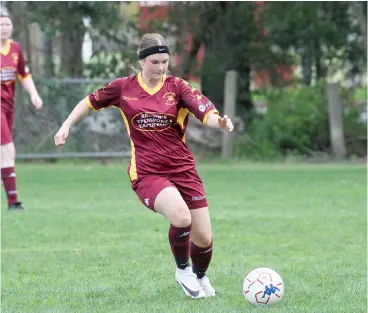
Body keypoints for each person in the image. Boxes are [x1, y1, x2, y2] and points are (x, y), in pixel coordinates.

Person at [54, 33, 234, 299]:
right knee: (181, 217)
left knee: (204, 238)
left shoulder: (177, 87)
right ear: (141, 61)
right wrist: (66, 124)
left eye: (165, 61)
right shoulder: (123, 88)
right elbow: (88, 102)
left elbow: (204, 111)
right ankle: (182, 270)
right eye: (155, 62)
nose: (161, 68)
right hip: (148, 173)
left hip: (183, 169)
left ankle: (200, 276)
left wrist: (218, 122)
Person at [1, 9, 43, 210]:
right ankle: (14, 202)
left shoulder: (15, 49)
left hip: (8, 106)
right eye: (0, 25)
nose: (4, 28)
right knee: (8, 149)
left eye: (7, 24)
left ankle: (12, 200)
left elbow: (24, 75)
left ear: (12, 28)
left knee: (6, 152)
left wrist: (34, 94)